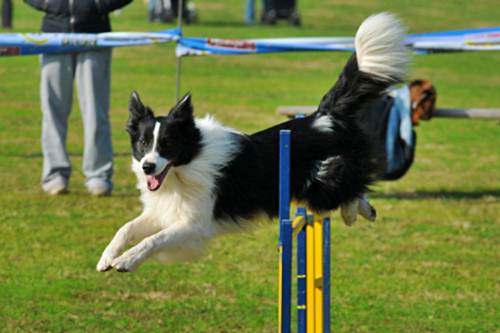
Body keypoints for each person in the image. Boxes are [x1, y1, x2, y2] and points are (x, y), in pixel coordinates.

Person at [24, 0, 132, 196]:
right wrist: (50, 4)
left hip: (94, 37)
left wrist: (98, 5)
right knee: (52, 110)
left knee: (95, 111)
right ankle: (55, 174)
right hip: (53, 37)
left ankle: (98, 175)